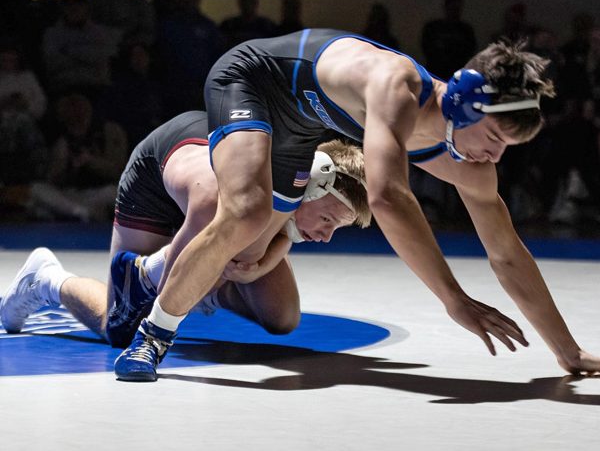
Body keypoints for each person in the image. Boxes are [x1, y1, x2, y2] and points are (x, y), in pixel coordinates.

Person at [107, 28, 600, 382]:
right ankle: (153, 336)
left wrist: (568, 350)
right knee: (246, 211)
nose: (494, 155)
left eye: (506, 149)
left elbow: (507, 252)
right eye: (493, 136)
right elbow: (388, 197)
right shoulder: (397, 86)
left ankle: (154, 278)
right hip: (254, 81)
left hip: (307, 128)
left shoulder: (472, 164)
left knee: (252, 254)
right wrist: (454, 298)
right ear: (465, 103)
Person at [0, 110, 370, 356]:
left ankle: (210, 287)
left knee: (282, 315)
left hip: (218, 169)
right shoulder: (224, 200)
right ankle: (46, 280)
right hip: (158, 177)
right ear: (313, 186)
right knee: (117, 326)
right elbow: (178, 284)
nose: (325, 236)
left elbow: (283, 231)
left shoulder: (294, 183)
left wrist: (259, 267)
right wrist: (202, 279)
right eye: (326, 220)